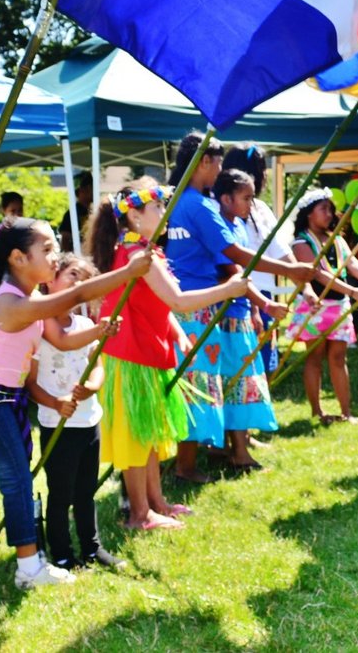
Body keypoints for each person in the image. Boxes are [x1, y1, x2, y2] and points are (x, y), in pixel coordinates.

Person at [0, 217, 148, 589]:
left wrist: (99, 330)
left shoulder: (28, 298)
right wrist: (128, 271)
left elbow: (67, 336)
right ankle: (29, 568)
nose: (56, 257)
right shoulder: (10, 302)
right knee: (17, 481)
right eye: (48, 249)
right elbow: (73, 297)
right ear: (18, 258)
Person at [88, 179, 246, 529]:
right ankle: (140, 514)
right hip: (131, 355)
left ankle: (156, 503)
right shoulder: (135, 255)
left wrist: (176, 332)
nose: (164, 213)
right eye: (157, 207)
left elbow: (159, 304)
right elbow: (177, 298)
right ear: (133, 214)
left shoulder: (145, 250)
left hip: (148, 351)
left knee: (151, 436)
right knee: (137, 437)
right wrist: (228, 289)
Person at [164, 133, 314, 482]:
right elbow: (232, 254)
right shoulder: (197, 206)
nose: (221, 170)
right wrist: (289, 270)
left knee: (198, 383)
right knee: (197, 385)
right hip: (197, 306)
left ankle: (193, 460)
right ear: (204, 162)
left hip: (191, 305)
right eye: (217, 163)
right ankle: (185, 467)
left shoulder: (181, 202)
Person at [25, 253, 123, 568]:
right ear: (49, 280)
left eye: (83, 278)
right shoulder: (40, 324)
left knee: (85, 491)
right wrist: (55, 403)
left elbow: (98, 367)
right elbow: (31, 382)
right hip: (58, 423)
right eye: (71, 275)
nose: (77, 283)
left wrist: (92, 387)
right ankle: (63, 552)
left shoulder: (84, 324)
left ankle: (92, 547)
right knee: (60, 493)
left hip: (88, 421)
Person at [288, 188, 358, 423]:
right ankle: (316, 411)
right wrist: (353, 291)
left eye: (331, 210)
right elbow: (318, 274)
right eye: (323, 209)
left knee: (339, 358)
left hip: (338, 305)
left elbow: (351, 263)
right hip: (315, 307)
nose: (329, 214)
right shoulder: (301, 242)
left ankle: (346, 411)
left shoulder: (337, 239)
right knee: (314, 358)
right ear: (309, 214)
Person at [222, 145, 299, 374]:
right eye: (262, 169)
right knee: (240, 365)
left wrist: (303, 281)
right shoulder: (220, 208)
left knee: (264, 364)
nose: (265, 175)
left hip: (265, 295)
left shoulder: (261, 209)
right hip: (236, 295)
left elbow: (281, 250)